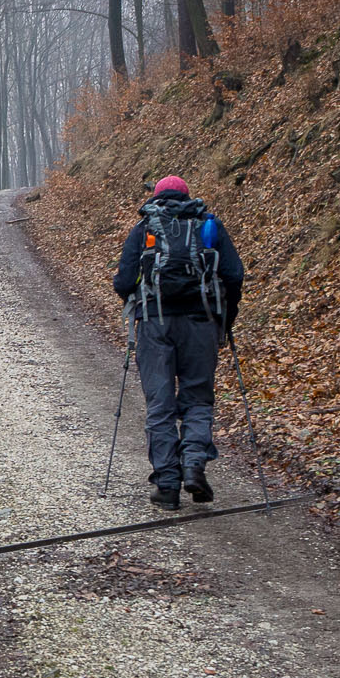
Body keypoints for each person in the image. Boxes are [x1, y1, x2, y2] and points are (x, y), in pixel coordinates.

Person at [111, 175, 244, 510]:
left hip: (156, 325)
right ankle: (194, 465)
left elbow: (124, 282)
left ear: (158, 198)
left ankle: (168, 486)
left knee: (160, 405)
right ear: (187, 197)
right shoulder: (208, 226)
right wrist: (225, 321)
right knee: (197, 398)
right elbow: (234, 275)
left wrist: (142, 295)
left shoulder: (145, 230)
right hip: (200, 324)